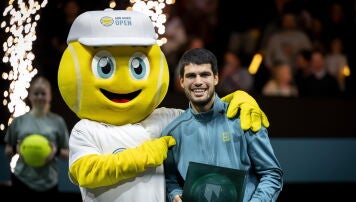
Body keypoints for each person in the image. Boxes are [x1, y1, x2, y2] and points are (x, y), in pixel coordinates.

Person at [58, 9, 270, 202]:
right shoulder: (86, 129)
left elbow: (205, 115)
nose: (124, 82)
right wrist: (141, 156)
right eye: (105, 67)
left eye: (137, 66)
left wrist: (237, 100)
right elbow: (84, 172)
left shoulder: (164, 119)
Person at [161, 48, 283, 202]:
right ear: (182, 82)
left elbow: (271, 173)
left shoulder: (244, 118)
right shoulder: (173, 133)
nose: (198, 81)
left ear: (216, 78)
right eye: (191, 76)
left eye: (205, 74)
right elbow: (170, 180)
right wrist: (174, 194)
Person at [4, 75, 70, 197]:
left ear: (50, 96)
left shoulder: (58, 122)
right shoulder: (19, 121)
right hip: (21, 180)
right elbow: (7, 151)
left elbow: (68, 154)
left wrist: (55, 151)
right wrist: (16, 149)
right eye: (36, 93)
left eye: (43, 93)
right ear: (30, 96)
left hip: (49, 183)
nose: (40, 97)